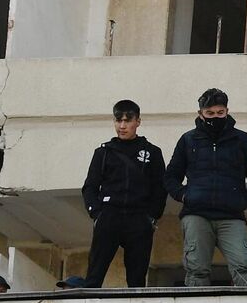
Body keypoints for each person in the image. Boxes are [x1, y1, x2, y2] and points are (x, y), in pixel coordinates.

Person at [59, 99, 166, 290]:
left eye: (128, 120)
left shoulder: (152, 152)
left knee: (137, 278)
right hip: (109, 215)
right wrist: (97, 214)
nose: (122, 126)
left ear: (138, 122)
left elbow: (160, 187)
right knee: (95, 274)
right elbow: (90, 187)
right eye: (118, 121)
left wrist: (151, 217)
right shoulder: (103, 153)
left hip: (139, 217)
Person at [166, 87, 247, 286]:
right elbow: (170, 177)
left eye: (220, 113)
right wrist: (186, 196)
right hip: (196, 214)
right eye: (210, 113)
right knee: (196, 270)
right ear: (200, 114)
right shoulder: (188, 139)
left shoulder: (241, 139)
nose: (215, 117)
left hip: (231, 216)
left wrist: (244, 201)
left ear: (227, 111)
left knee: (244, 265)